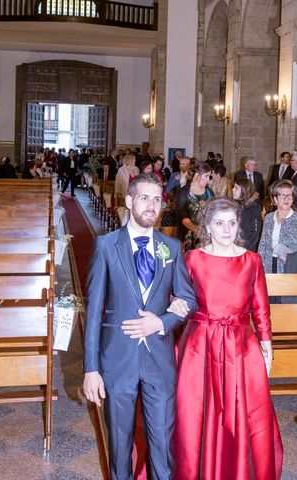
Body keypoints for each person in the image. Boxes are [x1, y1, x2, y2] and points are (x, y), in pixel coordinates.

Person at [83, 173, 197, 480]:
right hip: (117, 359)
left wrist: (161, 322)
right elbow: (93, 312)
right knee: (119, 445)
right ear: (130, 201)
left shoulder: (171, 248)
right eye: (145, 198)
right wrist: (90, 369)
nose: (152, 205)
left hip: (159, 359)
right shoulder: (106, 247)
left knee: (162, 443)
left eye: (158, 199)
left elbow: (188, 299)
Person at [173, 197, 283, 480]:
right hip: (200, 345)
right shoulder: (193, 258)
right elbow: (180, 301)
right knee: (196, 412)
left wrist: (267, 347)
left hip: (242, 347)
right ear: (207, 227)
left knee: (248, 414)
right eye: (219, 223)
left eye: (232, 223)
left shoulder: (251, 260)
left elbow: (261, 307)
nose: (226, 229)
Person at [258, 179, 297, 278]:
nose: (287, 199)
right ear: (275, 199)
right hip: (269, 264)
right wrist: (261, 263)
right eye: (283, 196)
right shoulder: (269, 218)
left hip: (290, 266)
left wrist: (290, 257)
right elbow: (262, 244)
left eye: (290, 196)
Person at [175, 161, 214, 251]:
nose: (208, 179)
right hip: (187, 236)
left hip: (207, 236)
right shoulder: (183, 192)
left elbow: (213, 213)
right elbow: (183, 217)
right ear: (197, 175)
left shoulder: (209, 192)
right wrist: (198, 231)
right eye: (206, 176)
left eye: (209, 176)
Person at [232, 178, 263, 251]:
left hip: (245, 251)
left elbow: (255, 236)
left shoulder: (254, 210)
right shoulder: (236, 206)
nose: (232, 190)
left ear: (244, 191)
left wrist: (244, 252)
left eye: (236, 188)